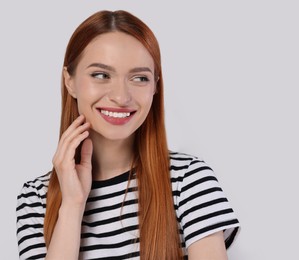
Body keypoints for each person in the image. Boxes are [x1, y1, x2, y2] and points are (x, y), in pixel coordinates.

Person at [16, 10, 240, 260]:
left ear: (155, 85)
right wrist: (72, 206)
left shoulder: (188, 180)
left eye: (139, 78)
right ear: (69, 80)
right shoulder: (34, 199)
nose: (121, 97)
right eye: (101, 75)